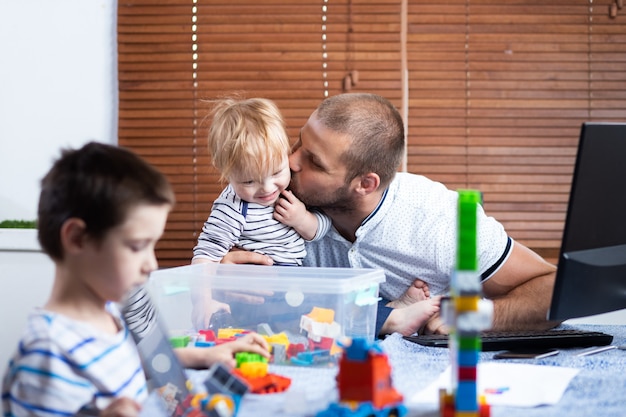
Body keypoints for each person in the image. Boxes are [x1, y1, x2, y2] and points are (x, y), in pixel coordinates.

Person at [220, 92, 559, 338]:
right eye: (297, 144)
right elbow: (245, 310)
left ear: (365, 184)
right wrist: (223, 278)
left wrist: (473, 316)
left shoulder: (439, 219)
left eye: (314, 161)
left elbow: (553, 289)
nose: (291, 162)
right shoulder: (275, 197)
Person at [1, 142, 269, 417]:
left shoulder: (106, 312)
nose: (151, 264)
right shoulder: (48, 352)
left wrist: (205, 356)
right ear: (77, 239)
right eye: (137, 246)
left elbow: (123, 363)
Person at [192, 96, 331, 266]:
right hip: (257, 282)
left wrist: (302, 219)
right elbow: (205, 256)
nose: (267, 188)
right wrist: (205, 290)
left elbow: (322, 230)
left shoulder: (291, 190)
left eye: (276, 172)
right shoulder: (233, 207)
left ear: (286, 154)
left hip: (293, 279)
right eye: (249, 181)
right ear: (228, 175)